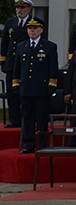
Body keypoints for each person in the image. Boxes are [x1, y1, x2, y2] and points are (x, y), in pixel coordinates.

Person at [12, 18, 58, 154]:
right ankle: (29, 144)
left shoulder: (49, 46)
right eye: (30, 28)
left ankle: (42, 144)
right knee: (27, 118)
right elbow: (17, 68)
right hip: (26, 88)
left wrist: (52, 84)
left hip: (42, 89)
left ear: (41, 30)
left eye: (35, 28)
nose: (32, 30)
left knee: (42, 118)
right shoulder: (21, 46)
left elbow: (53, 67)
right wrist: (15, 84)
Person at [1, 0, 34, 128]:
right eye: (17, 8)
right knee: (12, 92)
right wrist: (3, 61)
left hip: (26, 63)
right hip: (11, 63)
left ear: (29, 9)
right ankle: (14, 119)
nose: (19, 10)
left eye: (22, 8)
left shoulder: (34, 23)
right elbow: (5, 43)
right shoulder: (10, 22)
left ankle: (26, 119)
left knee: (26, 92)